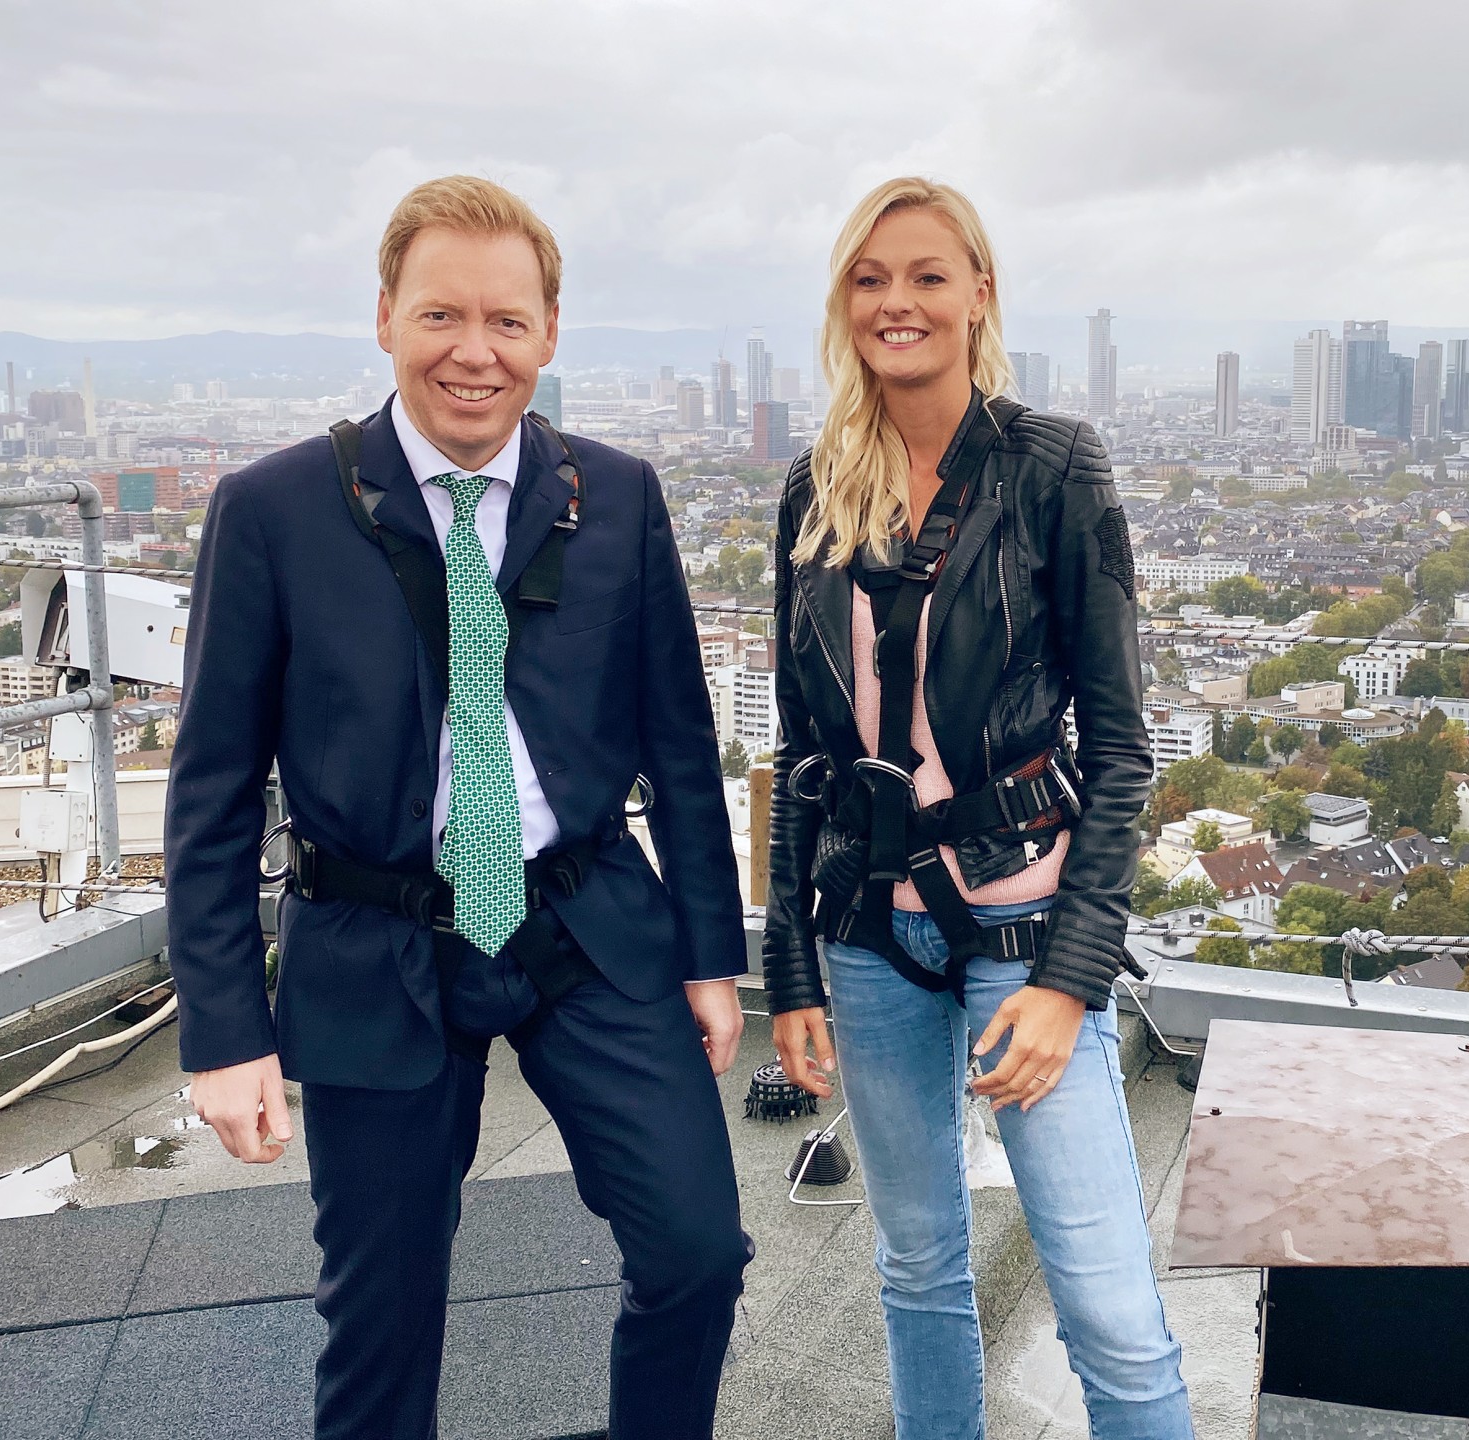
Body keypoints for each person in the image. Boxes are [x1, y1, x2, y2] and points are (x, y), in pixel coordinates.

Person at [166, 175, 752, 1440]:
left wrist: (713, 955)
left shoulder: (618, 496)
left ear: (549, 333)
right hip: (373, 938)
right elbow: (211, 793)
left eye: (506, 322)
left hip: (582, 919)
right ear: (384, 317)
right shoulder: (272, 512)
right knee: (381, 1320)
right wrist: (225, 1028)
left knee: (699, 1250)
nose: (473, 353)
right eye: (440, 315)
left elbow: (681, 747)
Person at [765, 176, 1196, 1439]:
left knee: (1109, 1307)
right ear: (844, 306)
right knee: (915, 1270)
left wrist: (1071, 980)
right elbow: (803, 751)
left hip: (1022, 935)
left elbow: (1120, 748)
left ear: (979, 295)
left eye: (926, 275)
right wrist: (790, 965)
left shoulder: (1053, 467)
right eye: (869, 279)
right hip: (868, 934)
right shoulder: (816, 486)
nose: (897, 301)